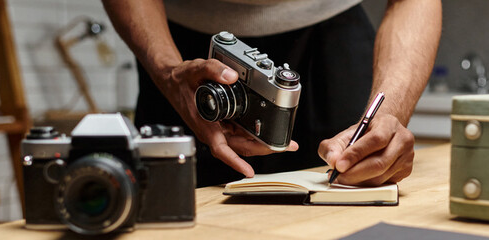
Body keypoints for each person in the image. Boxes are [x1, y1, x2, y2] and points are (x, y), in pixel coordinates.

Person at [102, 0, 441, 187]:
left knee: (352, 190)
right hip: (182, 56)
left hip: (332, 43)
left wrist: (390, 111)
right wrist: (168, 72)